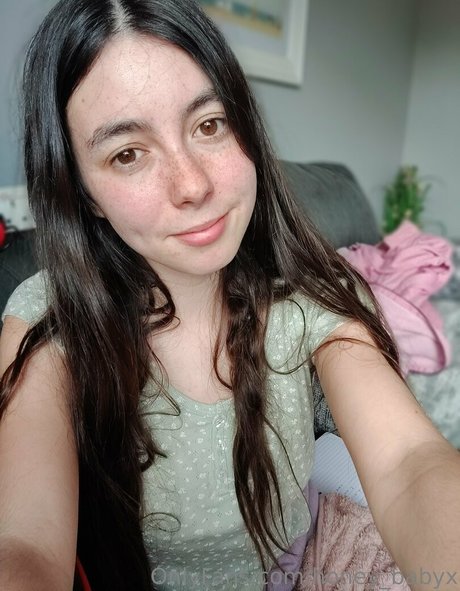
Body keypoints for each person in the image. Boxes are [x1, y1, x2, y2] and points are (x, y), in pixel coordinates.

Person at [0, 0, 459, 590]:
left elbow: (408, 465)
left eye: (209, 125)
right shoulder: (49, 320)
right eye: (128, 154)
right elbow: (26, 541)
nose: (193, 185)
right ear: (84, 192)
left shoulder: (308, 293)